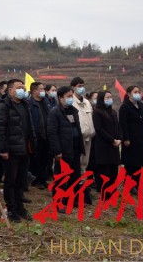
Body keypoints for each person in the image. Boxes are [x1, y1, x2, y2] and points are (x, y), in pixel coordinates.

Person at [0, 79, 37, 222]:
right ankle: (11, 209)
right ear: (10, 90)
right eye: (19, 87)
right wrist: (3, 149)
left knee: (21, 180)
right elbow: (0, 128)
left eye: (23, 88)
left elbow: (30, 126)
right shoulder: (4, 106)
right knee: (10, 181)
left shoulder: (25, 104)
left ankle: (20, 207)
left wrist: (33, 144)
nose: (22, 90)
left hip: (25, 148)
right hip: (11, 149)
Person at [47, 86, 84, 214]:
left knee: (75, 176)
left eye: (71, 96)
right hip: (63, 150)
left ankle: (71, 199)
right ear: (60, 98)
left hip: (75, 148)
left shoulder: (73, 111)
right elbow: (52, 134)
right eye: (68, 96)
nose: (70, 99)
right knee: (61, 178)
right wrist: (57, 151)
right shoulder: (55, 112)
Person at [119, 85, 143, 195]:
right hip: (131, 141)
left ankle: (137, 185)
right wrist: (126, 138)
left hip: (141, 140)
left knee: (140, 163)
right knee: (131, 164)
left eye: (138, 91)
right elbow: (123, 124)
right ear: (129, 94)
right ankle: (129, 186)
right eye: (135, 92)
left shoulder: (140, 106)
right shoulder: (125, 107)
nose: (138, 93)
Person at [92, 91, 122, 199]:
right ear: (101, 99)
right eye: (107, 97)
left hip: (114, 146)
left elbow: (118, 126)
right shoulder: (97, 112)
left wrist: (119, 139)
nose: (110, 99)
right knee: (104, 171)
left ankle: (113, 191)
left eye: (110, 97)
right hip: (103, 145)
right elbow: (99, 129)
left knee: (114, 170)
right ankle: (104, 193)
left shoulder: (113, 112)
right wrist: (112, 140)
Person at [70, 77, 95, 204]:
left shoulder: (87, 102)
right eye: (79, 86)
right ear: (73, 87)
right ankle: (76, 191)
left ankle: (83, 190)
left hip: (88, 137)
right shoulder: (71, 102)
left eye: (83, 85)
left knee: (84, 164)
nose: (82, 88)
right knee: (76, 165)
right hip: (77, 139)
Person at [28, 82, 49, 189]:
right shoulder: (29, 103)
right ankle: (36, 180)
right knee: (36, 159)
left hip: (46, 135)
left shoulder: (46, 102)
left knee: (45, 159)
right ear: (34, 91)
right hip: (36, 136)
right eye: (41, 89)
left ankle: (43, 179)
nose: (43, 91)